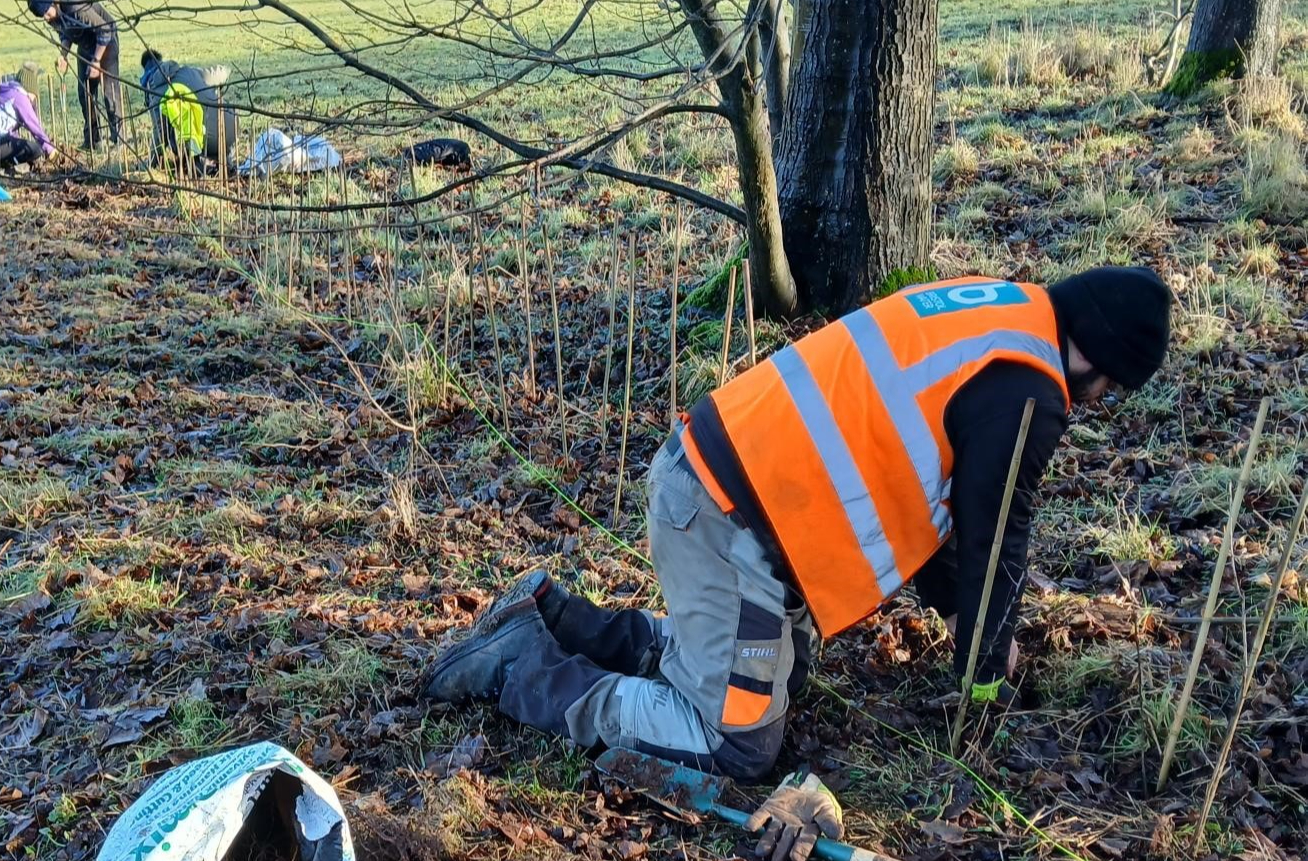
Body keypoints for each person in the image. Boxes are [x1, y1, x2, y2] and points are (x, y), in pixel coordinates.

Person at [421, 268, 1173, 859]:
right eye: (1109, 384)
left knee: (779, 678)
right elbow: (993, 535)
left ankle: (552, 611)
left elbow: (937, 512)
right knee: (737, 742)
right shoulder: (1029, 390)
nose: (1098, 398)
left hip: (729, 503)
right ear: (1100, 351)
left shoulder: (1001, 317)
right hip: (732, 525)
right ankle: (519, 665)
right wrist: (984, 673)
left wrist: (966, 621)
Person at [28, 0, 121, 151]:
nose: (45, 18)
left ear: (54, 3)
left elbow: (104, 30)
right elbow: (65, 33)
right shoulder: (53, 16)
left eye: (46, 12)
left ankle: (119, 140)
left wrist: (96, 61)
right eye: (42, 16)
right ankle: (93, 140)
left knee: (110, 94)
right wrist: (63, 54)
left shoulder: (75, 7)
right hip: (86, 44)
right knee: (84, 93)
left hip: (106, 42)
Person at [139, 48, 238, 175]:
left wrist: (151, 164)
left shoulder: (155, 91)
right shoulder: (188, 71)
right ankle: (225, 162)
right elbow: (221, 73)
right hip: (231, 131)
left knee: (174, 129)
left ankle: (195, 165)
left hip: (204, 140)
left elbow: (160, 136)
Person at [0, 63, 56, 177]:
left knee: (13, 144)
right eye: (34, 97)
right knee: (35, 149)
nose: (34, 102)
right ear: (30, 90)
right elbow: (34, 127)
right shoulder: (20, 97)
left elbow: (6, 131)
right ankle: (1, 168)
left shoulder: (5, 93)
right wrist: (50, 149)